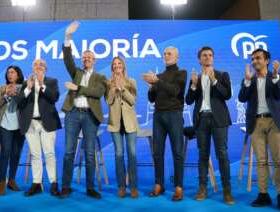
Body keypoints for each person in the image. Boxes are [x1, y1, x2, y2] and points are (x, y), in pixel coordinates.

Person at [238, 48, 280, 210]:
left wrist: (275, 76)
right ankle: (263, 194)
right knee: (261, 161)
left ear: (266, 61)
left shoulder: (278, 76)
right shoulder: (249, 79)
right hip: (256, 123)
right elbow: (242, 97)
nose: (255, 62)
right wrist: (247, 81)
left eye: (258, 58)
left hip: (275, 121)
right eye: (253, 59)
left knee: (278, 160)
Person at [60, 21, 107, 199]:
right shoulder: (76, 73)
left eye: (89, 57)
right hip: (72, 114)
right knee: (68, 152)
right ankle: (66, 186)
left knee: (89, 153)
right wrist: (67, 37)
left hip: (90, 116)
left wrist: (77, 88)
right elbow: (67, 58)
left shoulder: (100, 77)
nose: (86, 59)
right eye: (84, 57)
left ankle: (90, 187)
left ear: (95, 60)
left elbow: (98, 93)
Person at [185, 46, 234, 205]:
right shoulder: (196, 78)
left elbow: (226, 95)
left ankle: (227, 191)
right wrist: (193, 85)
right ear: (199, 59)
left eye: (210, 55)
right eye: (204, 55)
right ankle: (202, 189)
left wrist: (214, 80)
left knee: (222, 154)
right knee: (203, 155)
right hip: (201, 120)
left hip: (219, 120)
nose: (207, 57)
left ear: (213, 58)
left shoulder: (222, 75)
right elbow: (189, 101)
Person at [142, 46, 187, 201]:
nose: (166, 56)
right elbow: (152, 99)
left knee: (178, 153)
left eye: (169, 53)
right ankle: (159, 184)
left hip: (174, 115)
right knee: (157, 153)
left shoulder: (182, 73)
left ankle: (178, 187)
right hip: (158, 116)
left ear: (177, 57)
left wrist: (157, 81)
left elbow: (175, 91)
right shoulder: (159, 76)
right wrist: (150, 87)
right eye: (164, 54)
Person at [15, 59, 61, 197]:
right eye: (35, 64)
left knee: (50, 154)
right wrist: (28, 88)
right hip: (30, 124)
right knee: (35, 155)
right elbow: (18, 101)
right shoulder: (25, 83)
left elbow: (54, 97)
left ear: (45, 69)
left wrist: (42, 85)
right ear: (32, 68)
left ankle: (53, 183)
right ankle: (37, 183)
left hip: (47, 122)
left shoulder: (52, 81)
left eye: (41, 65)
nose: (38, 67)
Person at [105, 56, 139, 198]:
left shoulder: (131, 82)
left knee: (132, 154)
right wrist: (114, 88)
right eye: (114, 64)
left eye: (119, 63)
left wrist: (122, 88)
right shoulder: (107, 83)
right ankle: (121, 186)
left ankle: (133, 187)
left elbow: (132, 101)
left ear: (123, 66)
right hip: (115, 124)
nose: (117, 66)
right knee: (119, 154)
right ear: (112, 68)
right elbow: (108, 101)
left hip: (130, 123)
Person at [0, 65, 25, 195]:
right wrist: (5, 96)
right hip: (5, 125)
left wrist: (16, 95)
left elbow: (26, 104)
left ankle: (11, 180)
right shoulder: (2, 88)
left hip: (20, 126)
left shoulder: (24, 88)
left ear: (18, 74)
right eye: (8, 73)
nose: (9, 75)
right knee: (5, 153)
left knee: (16, 154)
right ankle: (2, 182)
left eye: (12, 72)